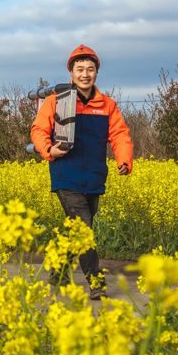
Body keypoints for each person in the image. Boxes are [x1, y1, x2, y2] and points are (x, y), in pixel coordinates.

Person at [31, 44, 133, 300]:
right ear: (71, 72)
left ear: (96, 72)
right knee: (83, 229)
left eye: (90, 69)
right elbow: (38, 130)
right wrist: (48, 150)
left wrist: (124, 159)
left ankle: (58, 270)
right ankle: (96, 282)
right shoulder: (58, 101)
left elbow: (119, 134)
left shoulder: (107, 104)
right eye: (80, 69)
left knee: (75, 229)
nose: (85, 74)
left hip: (95, 176)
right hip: (66, 173)